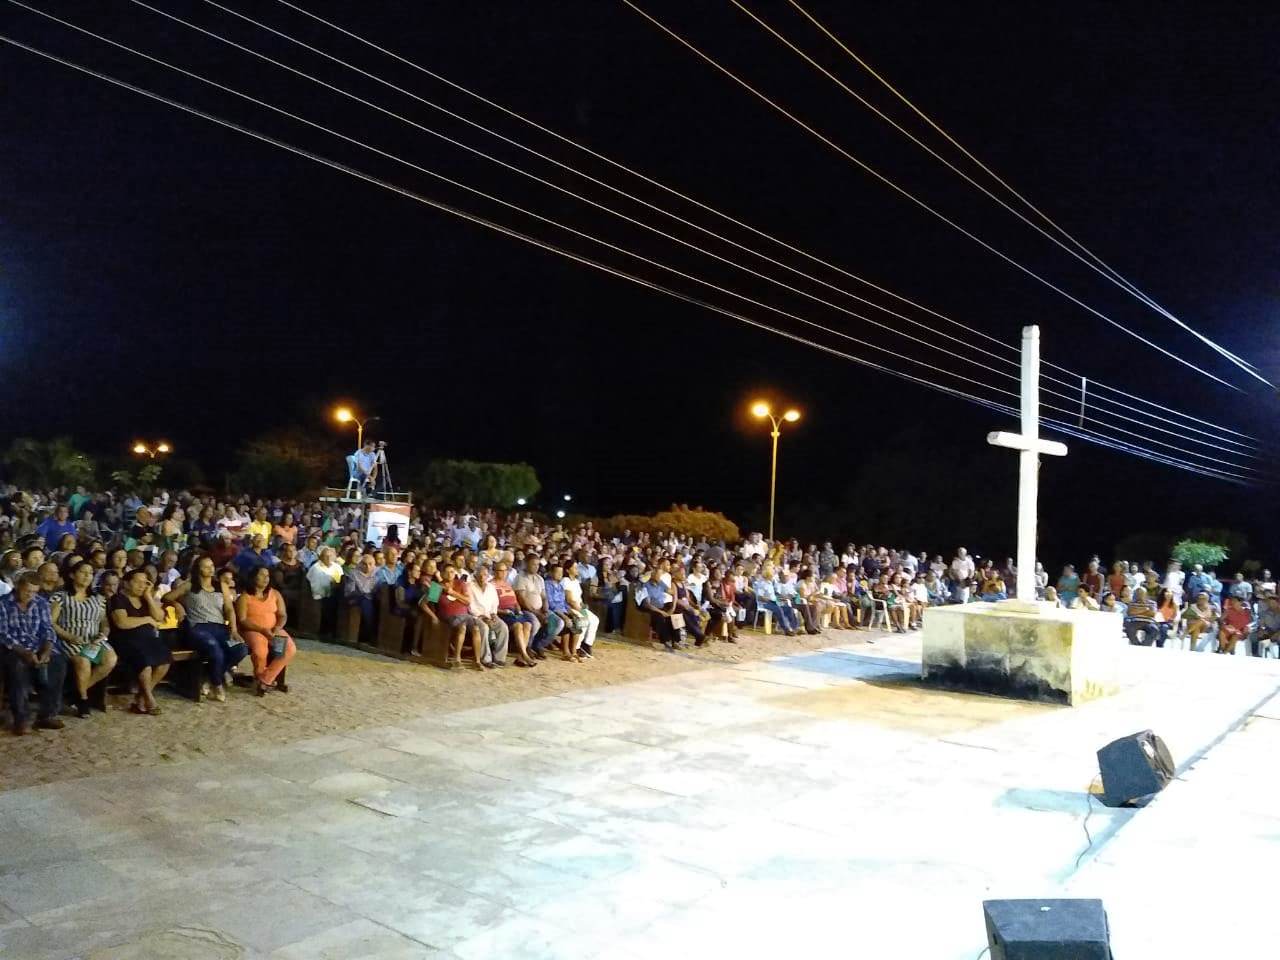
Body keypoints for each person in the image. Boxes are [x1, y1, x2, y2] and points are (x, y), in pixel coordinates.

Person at [166, 556, 247, 702]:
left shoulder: (221, 586)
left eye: (212, 565)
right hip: (198, 628)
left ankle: (210, 678)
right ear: (198, 569)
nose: (211, 569)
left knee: (240, 648)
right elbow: (167, 597)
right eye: (206, 566)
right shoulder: (190, 585)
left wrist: (233, 629)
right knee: (213, 648)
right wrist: (177, 604)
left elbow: (229, 609)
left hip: (220, 627)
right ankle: (217, 685)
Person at [0, 572, 67, 734]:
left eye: (34, 592)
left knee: (58, 663)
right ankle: (21, 718)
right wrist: (24, 652)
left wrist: (46, 650)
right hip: (14, 648)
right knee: (18, 669)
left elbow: (48, 629)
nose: (30, 595)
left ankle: (47, 714)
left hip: (38, 646)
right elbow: (2, 633)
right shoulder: (3, 603)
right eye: (26, 591)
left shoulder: (40, 603)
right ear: (17, 587)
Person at [49, 561, 117, 718]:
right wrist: (69, 636)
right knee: (83, 661)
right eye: (83, 572)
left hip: (93, 639)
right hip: (69, 639)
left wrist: (103, 633)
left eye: (91, 573)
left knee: (110, 659)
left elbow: (104, 622)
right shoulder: (61, 596)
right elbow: (51, 622)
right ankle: (83, 700)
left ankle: (76, 692)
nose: (87, 576)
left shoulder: (98, 598)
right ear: (72, 574)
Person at [108, 568, 172, 715]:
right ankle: (149, 699)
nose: (142, 586)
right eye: (138, 582)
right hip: (126, 640)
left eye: (145, 583)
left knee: (165, 660)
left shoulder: (145, 599)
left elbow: (159, 616)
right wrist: (147, 620)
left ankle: (141, 696)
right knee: (146, 664)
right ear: (126, 583)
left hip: (148, 639)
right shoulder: (118, 599)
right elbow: (122, 622)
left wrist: (149, 596)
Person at [235, 565, 296, 694]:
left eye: (267, 575)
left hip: (274, 629)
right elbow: (242, 620)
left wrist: (277, 628)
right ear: (253, 577)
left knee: (288, 649)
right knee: (260, 651)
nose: (266, 578)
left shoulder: (275, 594)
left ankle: (264, 680)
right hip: (253, 630)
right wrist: (262, 630)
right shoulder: (244, 597)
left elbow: (282, 615)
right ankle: (260, 678)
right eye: (262, 575)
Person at [438, 562, 482, 668]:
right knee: (462, 627)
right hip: (449, 615)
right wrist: (434, 617)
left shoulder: (461, 584)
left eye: (452, 572)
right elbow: (429, 603)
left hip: (464, 614)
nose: (450, 574)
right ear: (442, 574)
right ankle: (457, 658)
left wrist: (453, 593)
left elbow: (468, 601)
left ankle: (477, 660)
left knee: (476, 628)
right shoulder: (437, 586)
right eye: (447, 572)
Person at [493, 560, 537, 666]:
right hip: (502, 613)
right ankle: (525, 655)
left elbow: (515, 601)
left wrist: (517, 607)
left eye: (505, 571)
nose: (504, 573)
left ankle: (520, 657)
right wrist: (504, 611)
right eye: (501, 571)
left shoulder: (507, 584)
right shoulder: (491, 584)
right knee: (518, 626)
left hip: (513, 611)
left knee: (528, 624)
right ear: (495, 572)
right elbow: (491, 606)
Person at [467, 565, 509, 667]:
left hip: (490, 615)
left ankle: (499, 658)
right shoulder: (469, 586)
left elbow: (495, 603)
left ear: (488, 576)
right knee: (484, 628)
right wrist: (482, 617)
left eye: (485, 575)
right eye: (480, 575)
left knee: (503, 627)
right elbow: (469, 605)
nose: (482, 578)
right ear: (475, 576)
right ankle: (486, 659)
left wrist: (493, 614)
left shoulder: (491, 587)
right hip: (475, 616)